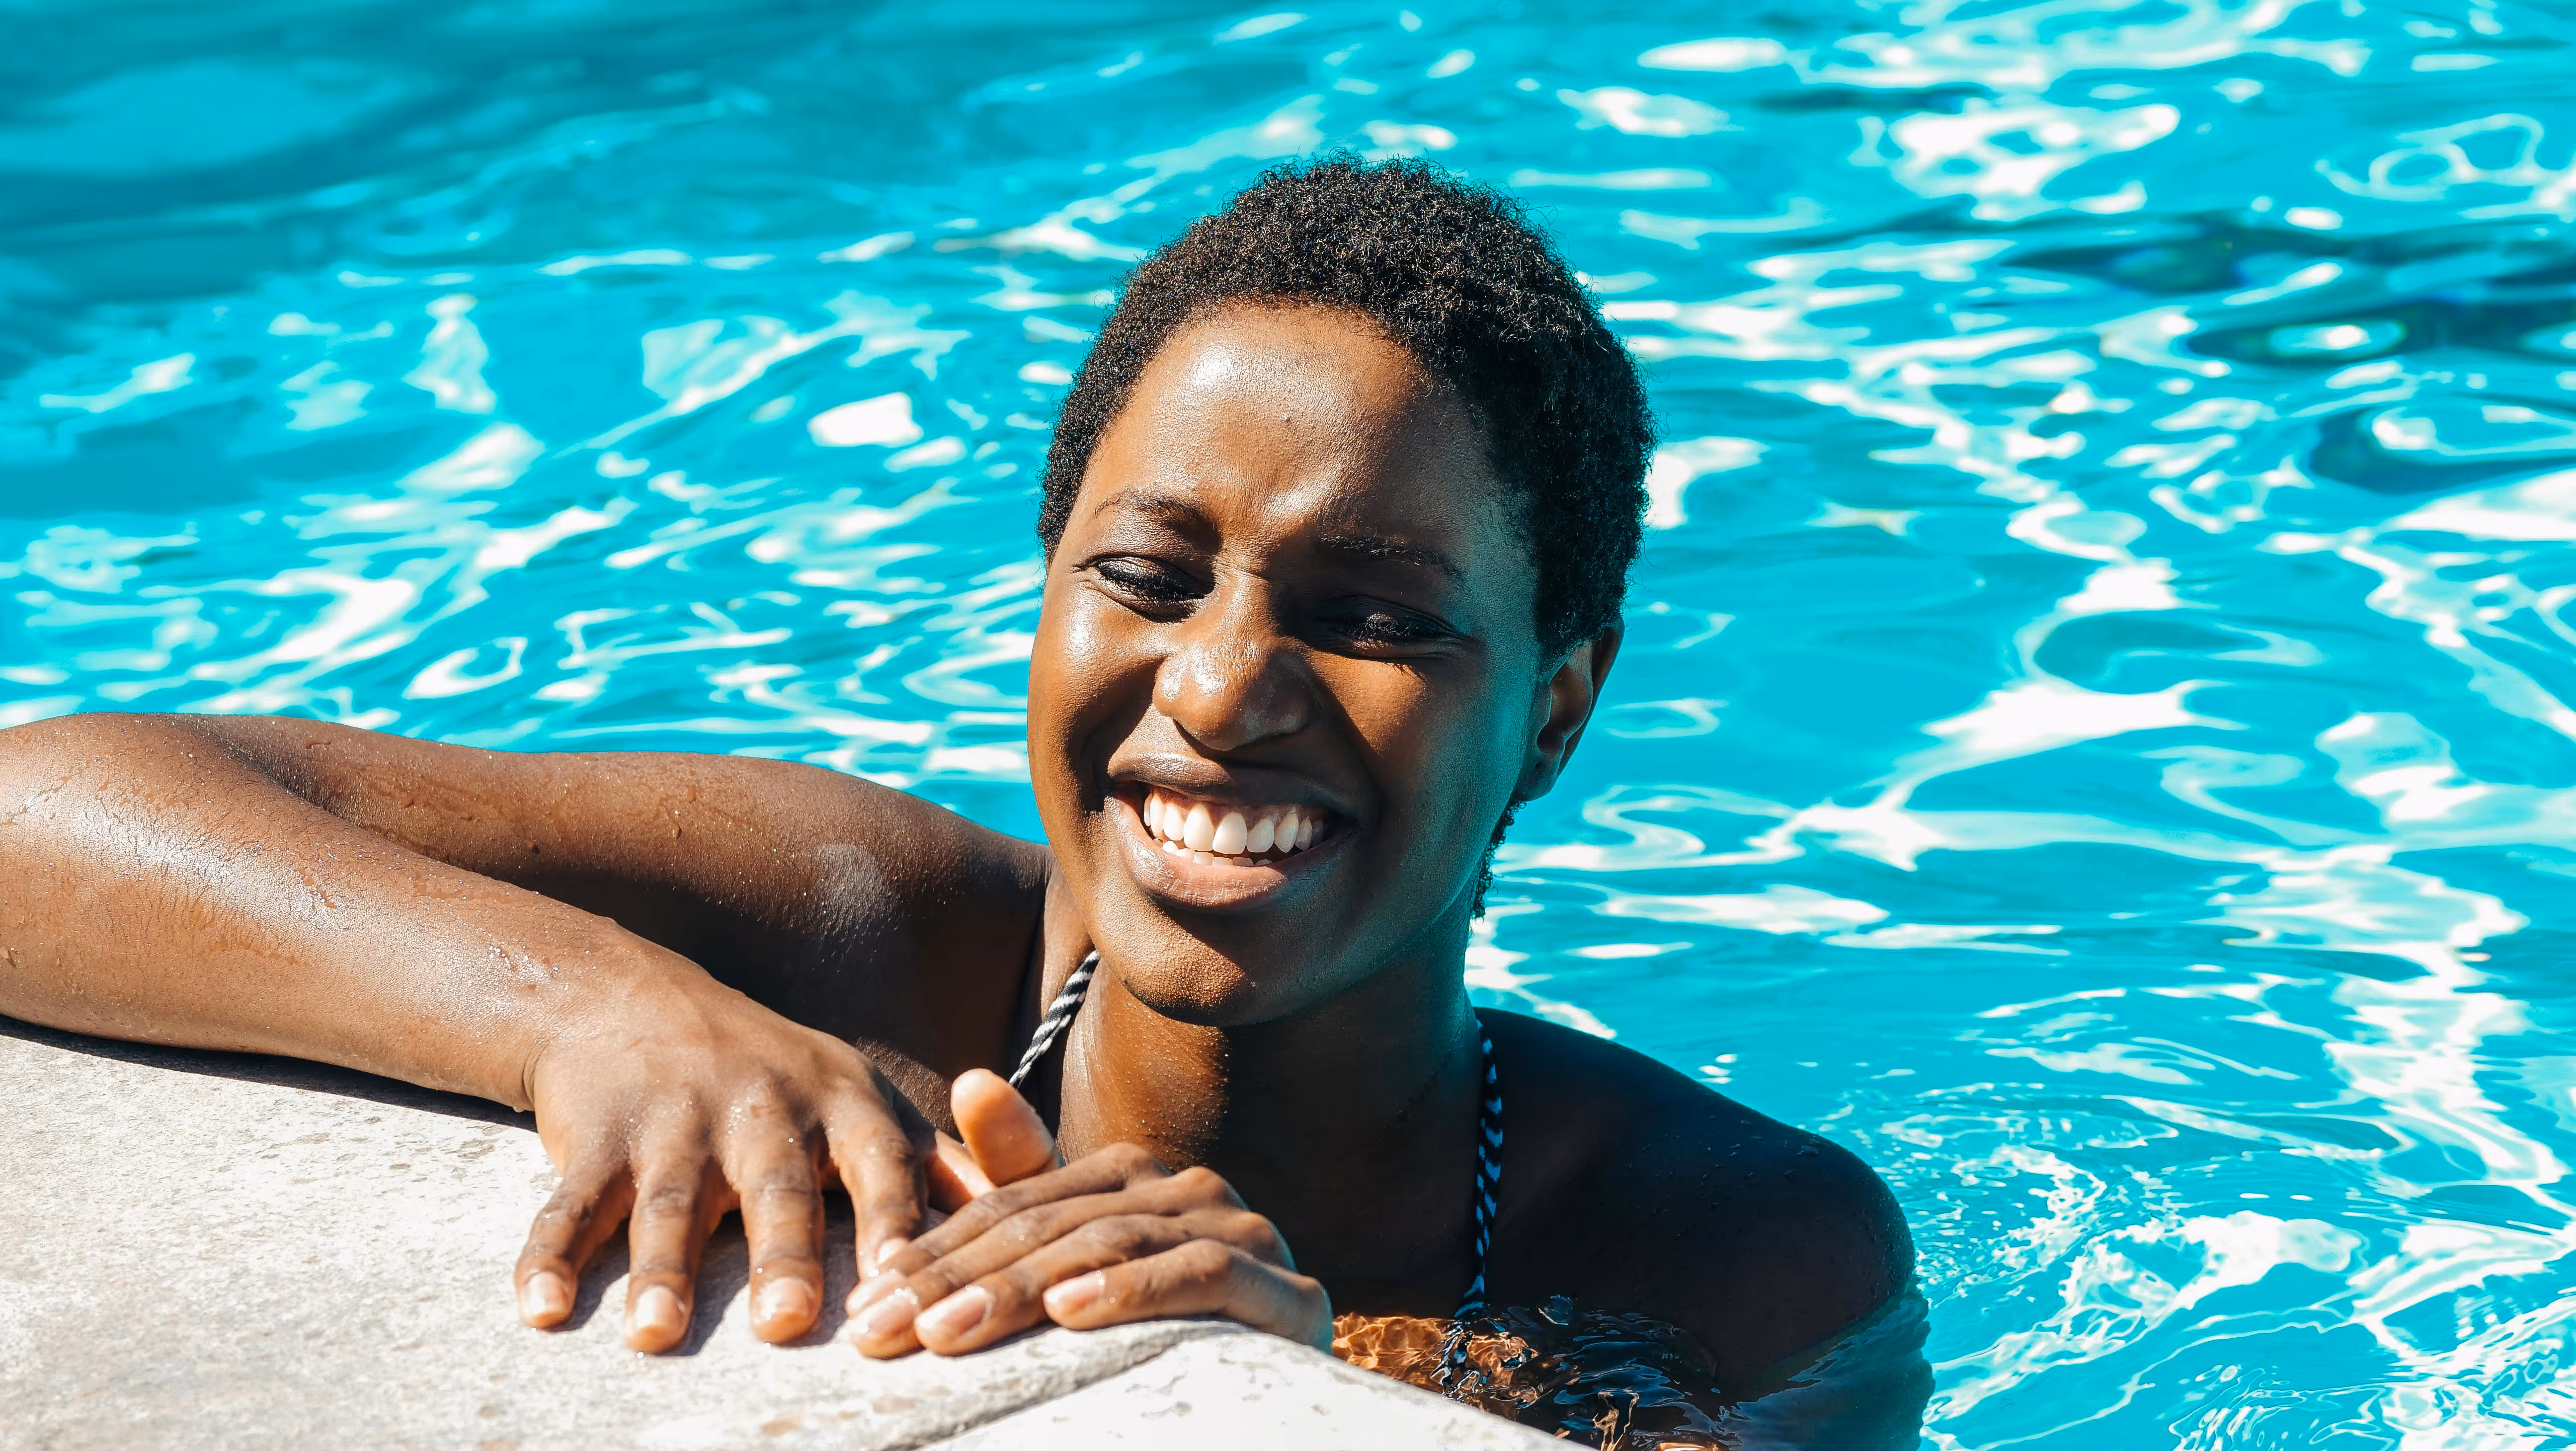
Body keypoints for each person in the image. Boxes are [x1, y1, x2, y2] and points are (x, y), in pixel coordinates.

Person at [0, 159, 1910, 1395]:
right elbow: (44, 807)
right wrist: (585, 1010)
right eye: (1147, 581)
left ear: (1559, 715)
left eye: (1376, 616)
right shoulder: (872, 934)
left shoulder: (1739, 1245)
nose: (1225, 686)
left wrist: (1332, 1373)